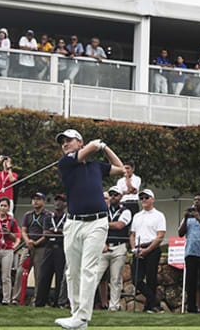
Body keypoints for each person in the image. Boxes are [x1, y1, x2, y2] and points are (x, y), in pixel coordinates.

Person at [54, 128, 124, 330]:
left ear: (79, 142)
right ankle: (77, 316)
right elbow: (92, 147)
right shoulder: (65, 163)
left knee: (88, 269)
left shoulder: (96, 166)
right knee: (72, 272)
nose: (65, 144)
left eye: (69, 140)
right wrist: (96, 145)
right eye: (63, 142)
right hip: (74, 223)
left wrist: (106, 148)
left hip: (97, 223)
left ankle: (82, 316)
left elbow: (120, 168)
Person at [129, 189, 167, 313]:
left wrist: (147, 250)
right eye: (142, 198)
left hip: (152, 248)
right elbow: (132, 235)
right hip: (138, 248)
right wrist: (135, 249)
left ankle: (149, 307)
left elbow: (160, 236)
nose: (144, 200)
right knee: (136, 279)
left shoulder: (159, 215)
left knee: (151, 279)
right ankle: (155, 302)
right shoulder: (137, 216)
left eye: (146, 197)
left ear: (152, 199)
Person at [95, 188, 131, 311]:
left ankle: (114, 306)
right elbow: (97, 228)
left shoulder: (126, 211)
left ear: (121, 196)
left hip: (119, 247)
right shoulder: (104, 210)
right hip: (104, 247)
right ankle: (85, 304)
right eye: (111, 195)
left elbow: (119, 225)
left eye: (116, 194)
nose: (113, 196)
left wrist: (103, 223)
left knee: (115, 279)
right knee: (95, 276)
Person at [15, 192, 50, 305]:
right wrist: (27, 241)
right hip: (27, 247)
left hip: (41, 247)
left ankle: (37, 299)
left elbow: (47, 234)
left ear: (43, 201)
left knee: (39, 274)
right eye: (34, 199)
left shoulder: (48, 215)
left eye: (38, 199)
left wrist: (36, 242)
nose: (35, 201)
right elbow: (23, 230)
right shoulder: (28, 215)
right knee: (20, 271)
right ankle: (16, 298)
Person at [37, 194, 68, 308]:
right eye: (56, 201)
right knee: (44, 275)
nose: (58, 203)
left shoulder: (68, 219)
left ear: (65, 204)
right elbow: (45, 233)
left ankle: (58, 302)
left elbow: (67, 233)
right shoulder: (48, 218)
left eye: (61, 201)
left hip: (61, 249)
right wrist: (59, 231)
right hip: (49, 248)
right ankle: (40, 302)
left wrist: (55, 230)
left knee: (60, 276)